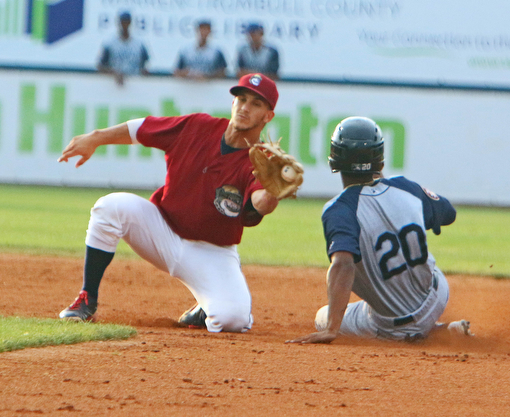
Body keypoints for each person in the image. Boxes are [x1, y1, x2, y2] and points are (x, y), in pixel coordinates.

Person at [57, 73, 280, 333]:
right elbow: (141, 129)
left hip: (212, 252)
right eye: (241, 99)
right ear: (232, 103)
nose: (245, 107)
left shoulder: (261, 159)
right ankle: (86, 298)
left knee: (233, 319)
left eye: (256, 103)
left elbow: (260, 203)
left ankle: (205, 306)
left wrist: (273, 193)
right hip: (160, 230)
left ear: (268, 116)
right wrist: (95, 137)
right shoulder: (197, 126)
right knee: (110, 207)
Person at [287, 117, 472, 344]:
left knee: (322, 316)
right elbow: (448, 214)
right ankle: (441, 329)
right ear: (380, 160)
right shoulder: (406, 187)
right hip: (438, 294)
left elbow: (343, 264)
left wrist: (332, 329)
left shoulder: (339, 210)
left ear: (334, 158)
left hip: (396, 325)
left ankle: (423, 333)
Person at [97, 11, 149, 86]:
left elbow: (145, 66)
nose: (124, 25)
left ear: (130, 23)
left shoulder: (139, 44)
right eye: (122, 22)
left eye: (126, 22)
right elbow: (100, 66)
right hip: (113, 84)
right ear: (119, 23)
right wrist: (114, 73)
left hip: (135, 84)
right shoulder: (110, 43)